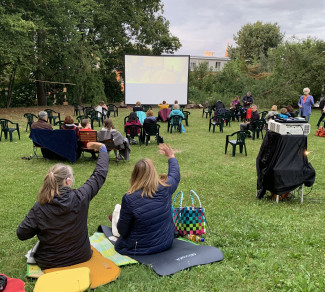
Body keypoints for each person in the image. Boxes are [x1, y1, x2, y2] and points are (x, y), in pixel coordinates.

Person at [16, 142, 108, 270]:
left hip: (50, 262)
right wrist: (102, 149)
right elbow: (99, 174)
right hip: (81, 256)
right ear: (68, 181)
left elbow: (22, 233)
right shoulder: (81, 196)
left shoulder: (40, 207)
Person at [114, 144, 180, 255]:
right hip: (166, 242)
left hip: (139, 247)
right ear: (153, 172)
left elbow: (122, 231)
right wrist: (171, 156)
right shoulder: (166, 187)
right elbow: (175, 175)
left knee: (117, 213)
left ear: (135, 174)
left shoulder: (129, 199)